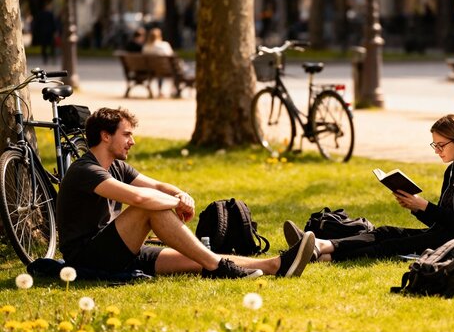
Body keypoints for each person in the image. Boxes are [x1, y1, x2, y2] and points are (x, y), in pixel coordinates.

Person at [56, 108, 316, 280]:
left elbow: (157, 187)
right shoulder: (86, 170)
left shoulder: (117, 166)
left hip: (119, 252)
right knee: (148, 208)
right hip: (88, 257)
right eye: (126, 135)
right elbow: (139, 199)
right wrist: (174, 203)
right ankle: (218, 269)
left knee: (194, 257)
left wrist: (180, 194)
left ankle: (276, 265)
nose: (132, 142)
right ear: (105, 136)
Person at [282, 114, 454, 262]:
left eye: (441, 145)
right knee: (385, 232)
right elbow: (444, 220)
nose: (437, 150)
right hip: (448, 233)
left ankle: (324, 257)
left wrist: (424, 205)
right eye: (434, 145)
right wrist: (416, 207)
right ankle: (322, 245)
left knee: (393, 245)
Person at [142, 28, 174, 97]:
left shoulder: (145, 47)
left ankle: (157, 91)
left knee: (159, 69)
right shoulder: (164, 45)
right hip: (164, 69)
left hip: (150, 69)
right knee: (164, 69)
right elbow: (171, 55)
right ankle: (173, 90)